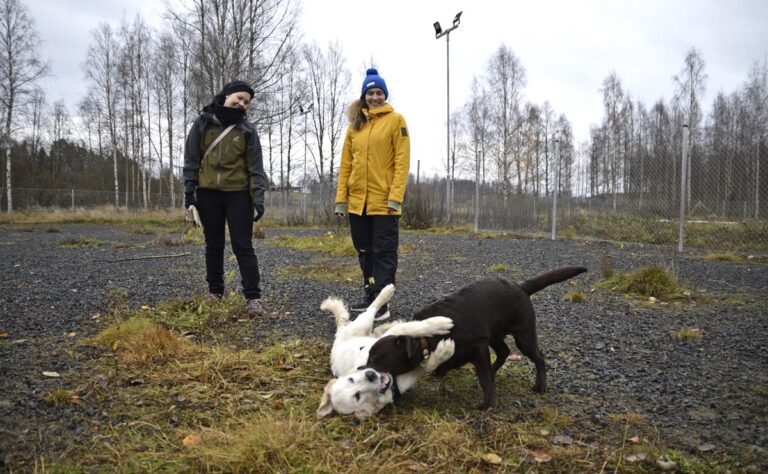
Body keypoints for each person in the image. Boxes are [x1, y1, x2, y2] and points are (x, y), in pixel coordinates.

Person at [182, 80, 268, 315]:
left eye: (246, 102)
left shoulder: (247, 131)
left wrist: (258, 197)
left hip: (239, 195)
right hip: (208, 194)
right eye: (238, 98)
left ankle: (253, 298)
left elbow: (255, 167)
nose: (241, 103)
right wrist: (189, 193)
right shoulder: (202, 125)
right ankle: (215, 292)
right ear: (226, 95)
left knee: (243, 246)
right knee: (214, 245)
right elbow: (191, 160)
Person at [334, 68, 410, 321]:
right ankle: (370, 297)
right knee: (364, 251)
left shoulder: (396, 121)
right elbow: (346, 165)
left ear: (385, 95)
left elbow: (402, 162)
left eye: (379, 92)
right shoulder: (354, 127)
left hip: (384, 202)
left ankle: (381, 305)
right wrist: (341, 201)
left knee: (384, 252)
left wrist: (395, 197)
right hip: (358, 203)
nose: (375, 97)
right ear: (364, 96)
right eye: (370, 92)